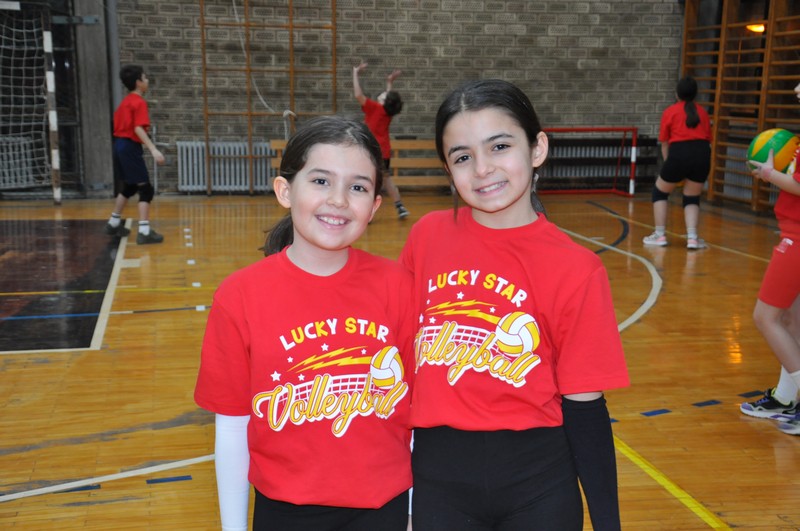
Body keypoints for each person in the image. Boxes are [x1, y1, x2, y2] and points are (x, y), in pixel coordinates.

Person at [399, 79, 630, 531]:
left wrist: (608, 523)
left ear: (537, 147)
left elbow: (585, 409)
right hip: (438, 483)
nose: (482, 169)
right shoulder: (427, 237)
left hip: (539, 487)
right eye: (462, 157)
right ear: (448, 169)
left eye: (499, 146)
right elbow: (399, 370)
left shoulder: (577, 268)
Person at [194, 115, 416, 530]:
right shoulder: (240, 296)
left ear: (374, 207)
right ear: (285, 190)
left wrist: (412, 513)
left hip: (384, 507)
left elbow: (416, 415)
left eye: (357, 187)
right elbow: (233, 428)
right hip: (285, 511)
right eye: (320, 181)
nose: (338, 200)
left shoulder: (399, 286)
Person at [741, 81, 800, 435]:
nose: (796, 88)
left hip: (798, 238)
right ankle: (785, 397)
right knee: (791, 320)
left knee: (765, 317)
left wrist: (769, 173)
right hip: (793, 233)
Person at [643, 76, 712, 250]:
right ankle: (692, 238)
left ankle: (659, 235)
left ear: (677, 93)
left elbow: (664, 143)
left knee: (659, 192)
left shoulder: (670, 112)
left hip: (679, 154)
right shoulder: (703, 113)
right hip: (702, 155)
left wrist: (671, 166)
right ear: (695, 94)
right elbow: (707, 140)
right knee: (692, 197)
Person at [104, 64, 166, 244]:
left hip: (119, 146)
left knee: (130, 187)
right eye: (145, 78)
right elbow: (138, 128)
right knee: (146, 189)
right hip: (129, 147)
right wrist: (153, 149)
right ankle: (144, 231)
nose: (147, 80)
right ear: (139, 82)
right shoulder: (139, 102)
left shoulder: (125, 102)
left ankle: (113, 223)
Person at [352, 61, 410, 219]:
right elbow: (389, 98)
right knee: (386, 179)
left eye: (384, 94)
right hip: (384, 152)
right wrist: (389, 82)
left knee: (368, 181)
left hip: (371, 151)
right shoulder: (387, 112)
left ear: (384, 101)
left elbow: (358, 95)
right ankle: (399, 206)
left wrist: (355, 73)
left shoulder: (375, 108)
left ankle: (367, 212)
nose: (383, 93)